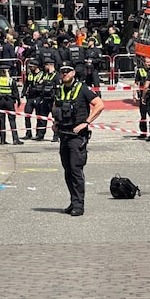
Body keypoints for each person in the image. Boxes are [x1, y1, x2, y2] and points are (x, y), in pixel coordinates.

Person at [52, 62, 104, 217]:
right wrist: (55, 122)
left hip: (77, 137)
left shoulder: (82, 88)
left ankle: (79, 205)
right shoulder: (60, 89)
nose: (65, 74)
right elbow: (56, 107)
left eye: (67, 71)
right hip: (64, 134)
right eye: (62, 71)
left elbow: (99, 105)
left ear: (73, 73)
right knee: (67, 171)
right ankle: (73, 202)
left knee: (76, 171)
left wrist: (86, 122)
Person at [0, 66, 24, 145]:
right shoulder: (11, 81)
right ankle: (15, 139)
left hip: (1, 102)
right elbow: (16, 93)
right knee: (12, 121)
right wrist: (18, 101)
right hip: (9, 102)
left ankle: (2, 140)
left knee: (2, 122)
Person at [36, 59, 60, 141]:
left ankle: (56, 136)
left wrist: (56, 101)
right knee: (43, 118)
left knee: (55, 119)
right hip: (45, 99)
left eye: (45, 65)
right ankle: (40, 135)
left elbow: (58, 89)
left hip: (53, 100)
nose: (44, 67)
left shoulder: (57, 75)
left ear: (49, 65)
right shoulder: (45, 75)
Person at [21, 58, 43, 140]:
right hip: (30, 98)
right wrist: (23, 93)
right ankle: (28, 133)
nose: (29, 68)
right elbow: (26, 85)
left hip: (38, 97)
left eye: (31, 67)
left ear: (36, 67)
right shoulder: (29, 74)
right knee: (27, 116)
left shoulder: (42, 75)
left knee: (39, 117)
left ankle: (38, 134)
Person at [133, 57, 150, 139]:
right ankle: (143, 133)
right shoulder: (140, 71)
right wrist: (134, 93)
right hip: (143, 96)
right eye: (147, 62)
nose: (149, 64)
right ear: (144, 63)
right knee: (143, 115)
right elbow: (136, 83)